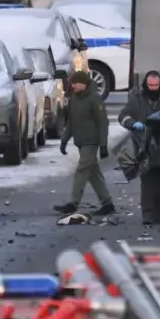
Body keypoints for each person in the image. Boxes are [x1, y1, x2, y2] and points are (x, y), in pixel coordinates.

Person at [118, 71, 160, 225]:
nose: (154, 88)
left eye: (156, 85)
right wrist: (132, 124)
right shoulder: (136, 100)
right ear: (145, 84)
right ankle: (148, 215)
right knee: (148, 181)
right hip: (144, 145)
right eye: (151, 85)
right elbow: (123, 116)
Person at [54, 71, 114, 216]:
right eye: (72, 83)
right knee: (93, 173)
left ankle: (73, 203)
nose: (73, 85)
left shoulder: (94, 99)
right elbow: (71, 123)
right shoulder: (74, 99)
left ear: (84, 83)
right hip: (81, 143)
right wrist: (64, 140)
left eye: (75, 83)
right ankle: (107, 203)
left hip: (91, 143)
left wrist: (103, 144)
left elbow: (103, 123)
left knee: (82, 171)